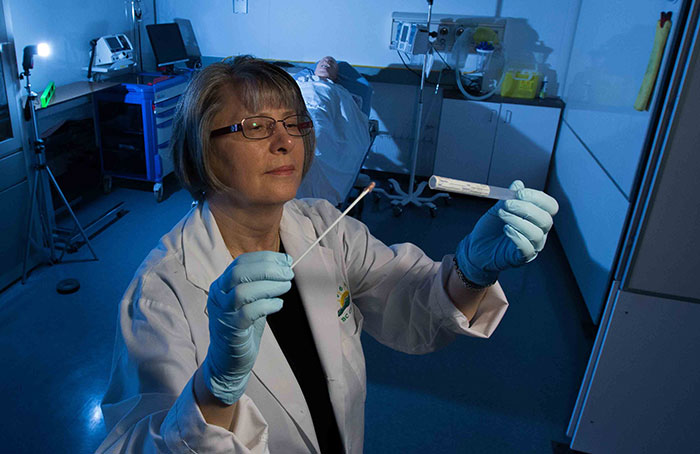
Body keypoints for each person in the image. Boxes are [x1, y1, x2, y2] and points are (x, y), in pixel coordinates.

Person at [97, 56, 559, 454]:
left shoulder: (324, 226)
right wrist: (215, 389)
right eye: (256, 126)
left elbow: (412, 302)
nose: (285, 142)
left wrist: (471, 270)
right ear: (202, 148)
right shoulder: (161, 292)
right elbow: (129, 443)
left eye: (294, 122)